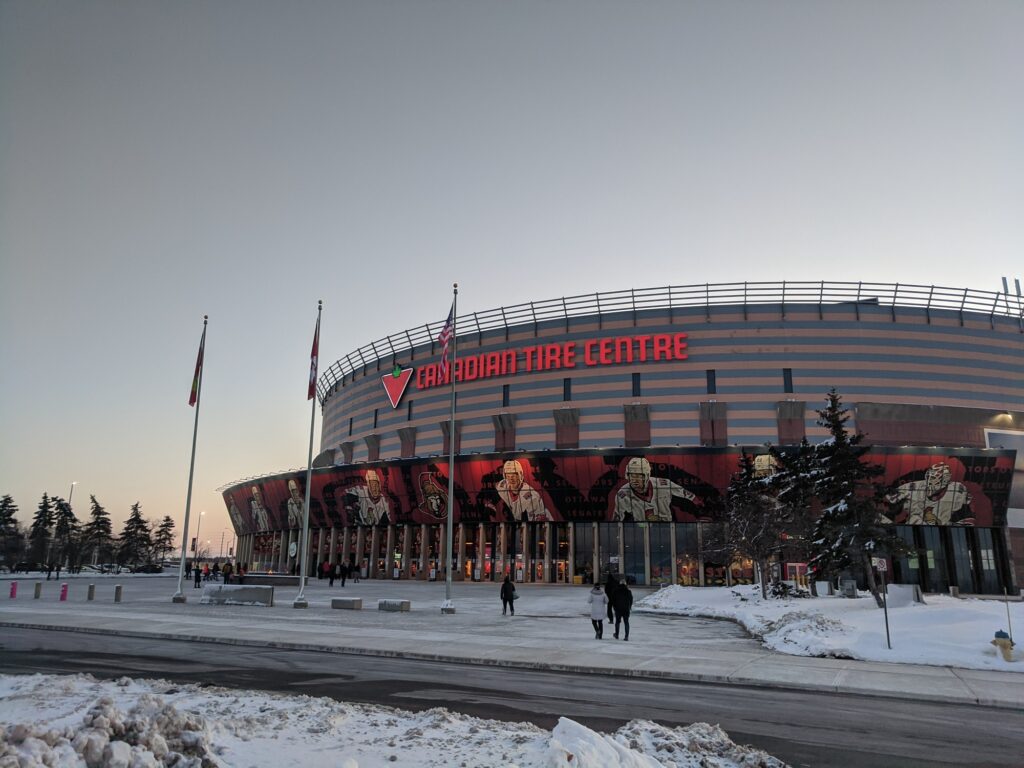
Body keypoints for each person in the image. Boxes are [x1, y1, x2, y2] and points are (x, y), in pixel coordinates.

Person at [614, 457, 701, 522]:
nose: (635, 480)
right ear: (627, 476)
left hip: (666, 527)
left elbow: (681, 491)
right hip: (642, 529)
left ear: (647, 475)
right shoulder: (622, 495)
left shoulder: (663, 484)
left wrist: (694, 499)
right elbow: (616, 517)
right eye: (632, 475)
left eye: (639, 476)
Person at [884, 462, 974, 525]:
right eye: (930, 478)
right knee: (916, 520)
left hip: (943, 532)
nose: (931, 482)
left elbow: (968, 519)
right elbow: (887, 505)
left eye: (935, 479)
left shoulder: (957, 491)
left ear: (946, 480)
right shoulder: (913, 488)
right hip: (916, 530)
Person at [485, 460, 553, 522]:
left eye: (514, 475)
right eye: (508, 475)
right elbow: (490, 503)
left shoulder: (531, 496)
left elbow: (538, 522)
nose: (511, 479)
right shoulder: (502, 486)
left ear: (520, 475)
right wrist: (491, 514)